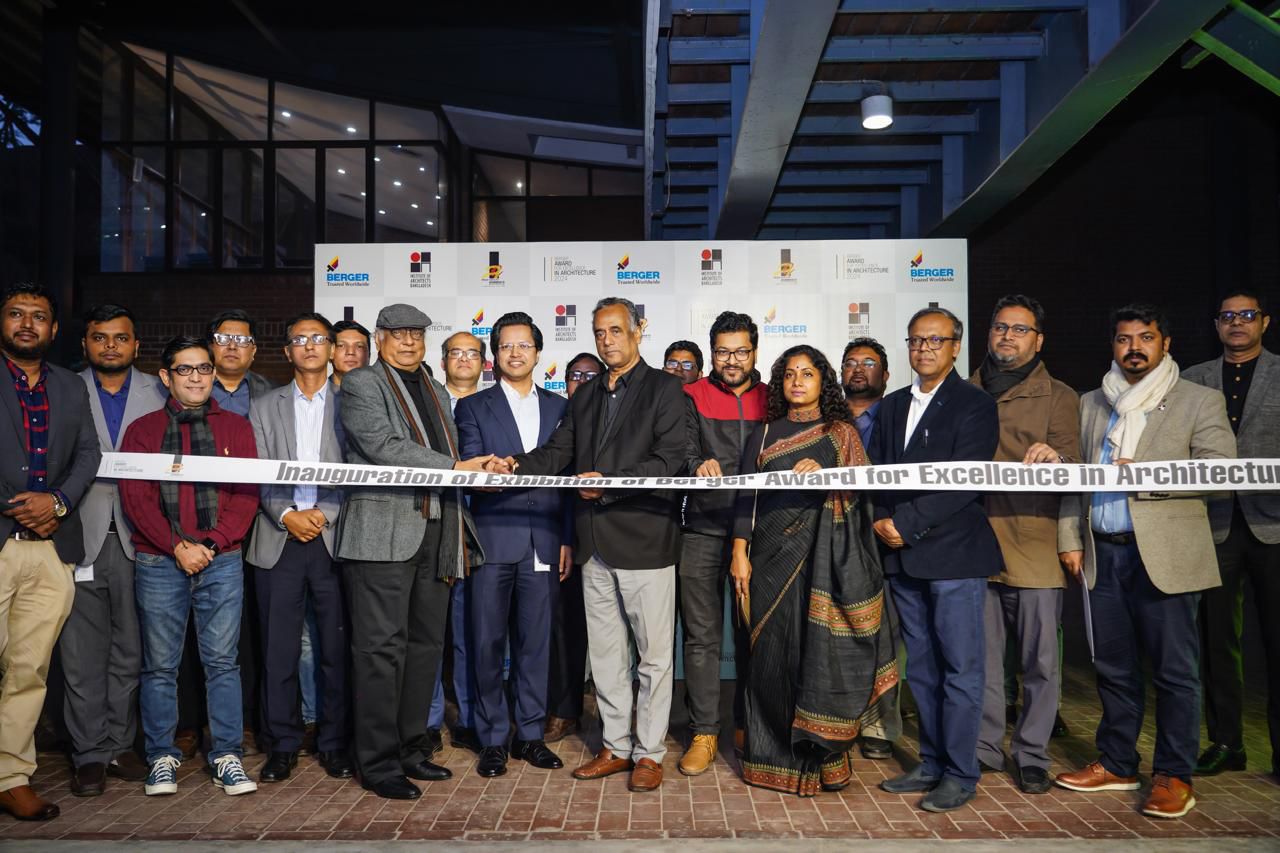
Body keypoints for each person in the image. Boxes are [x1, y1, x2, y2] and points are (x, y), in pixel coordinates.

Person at [498, 297, 686, 793]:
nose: (607, 340)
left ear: (637, 331)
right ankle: (617, 746)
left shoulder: (666, 390)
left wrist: (610, 482)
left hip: (645, 539)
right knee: (604, 656)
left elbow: (672, 461)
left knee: (653, 657)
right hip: (592, 543)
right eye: (600, 333)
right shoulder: (583, 397)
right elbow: (559, 452)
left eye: (616, 331)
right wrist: (514, 464)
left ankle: (649, 753)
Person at [1055, 303, 1235, 819]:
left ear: (1165, 344)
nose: (1134, 347)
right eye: (1123, 339)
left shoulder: (1199, 400)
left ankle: (1175, 774)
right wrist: (1070, 536)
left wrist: (1149, 473)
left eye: (1145, 338)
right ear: (1113, 346)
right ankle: (1117, 761)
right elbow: (1077, 480)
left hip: (1168, 555)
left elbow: (1221, 471)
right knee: (1112, 668)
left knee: (1176, 672)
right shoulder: (1092, 403)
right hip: (1102, 553)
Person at [335, 303, 491, 801]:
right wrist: (456, 466)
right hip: (381, 532)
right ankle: (377, 764)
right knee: (380, 650)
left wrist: (474, 468)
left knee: (425, 646)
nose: (409, 343)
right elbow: (382, 445)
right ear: (379, 338)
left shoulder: (436, 389)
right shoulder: (362, 384)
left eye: (417, 335)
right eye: (399, 334)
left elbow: (448, 458)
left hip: (436, 530)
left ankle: (409, 749)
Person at [731, 345, 896, 797]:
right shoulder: (764, 434)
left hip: (825, 564)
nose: (798, 381)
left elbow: (861, 495)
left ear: (824, 381)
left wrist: (825, 471)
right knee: (769, 658)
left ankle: (825, 758)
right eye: (789, 374)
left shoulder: (841, 434)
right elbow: (746, 499)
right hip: (768, 559)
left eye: (807, 373)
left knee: (818, 655)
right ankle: (772, 760)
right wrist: (739, 552)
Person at [870, 306, 1001, 813]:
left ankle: (960, 772)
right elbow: (876, 470)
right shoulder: (893, 404)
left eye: (935, 341)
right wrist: (883, 520)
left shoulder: (975, 404)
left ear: (955, 347)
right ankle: (929, 761)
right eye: (916, 341)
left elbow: (964, 479)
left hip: (954, 554)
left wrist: (907, 523)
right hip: (902, 560)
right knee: (921, 668)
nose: (924, 349)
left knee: (961, 669)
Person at [119, 335, 260, 798]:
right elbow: (136, 500)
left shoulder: (237, 428)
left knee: (222, 663)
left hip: (222, 561)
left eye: (204, 368)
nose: (197, 377)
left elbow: (246, 495)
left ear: (214, 373)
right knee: (160, 665)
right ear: (166, 376)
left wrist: (212, 545)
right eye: (185, 369)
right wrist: (178, 545)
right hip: (159, 561)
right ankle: (161, 756)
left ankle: (226, 756)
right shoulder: (141, 430)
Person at [969, 295, 1081, 795]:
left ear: (1038, 340)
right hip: (972, 545)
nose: (1007, 337)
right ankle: (985, 749)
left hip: (1033, 543)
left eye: (1019, 329)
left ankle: (1032, 754)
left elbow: (1076, 466)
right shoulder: (962, 390)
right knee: (983, 659)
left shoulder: (1060, 396)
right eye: (999, 327)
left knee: (1038, 661)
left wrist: (1055, 455)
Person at [0, 283, 101, 822]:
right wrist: (19, 504)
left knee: (29, 669)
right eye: (16, 314)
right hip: (3, 538)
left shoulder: (67, 385)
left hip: (49, 548)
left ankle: (11, 777)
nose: (26, 324)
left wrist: (57, 502)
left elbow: (89, 452)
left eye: (38, 317)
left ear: (54, 330)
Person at [455, 312, 569, 778]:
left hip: (544, 538)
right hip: (491, 538)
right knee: (485, 642)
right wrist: (488, 474)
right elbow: (469, 465)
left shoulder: (562, 408)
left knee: (535, 644)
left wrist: (567, 539)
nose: (516, 353)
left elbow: (564, 479)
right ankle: (493, 738)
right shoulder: (473, 407)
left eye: (524, 346)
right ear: (494, 355)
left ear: (539, 353)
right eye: (506, 346)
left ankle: (530, 734)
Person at [60, 304, 166, 797]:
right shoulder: (63, 388)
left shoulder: (159, 391)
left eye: (119, 338)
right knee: (82, 654)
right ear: (86, 344)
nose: (109, 346)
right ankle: (88, 754)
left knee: (131, 650)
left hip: (141, 536)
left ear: (135, 345)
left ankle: (121, 745)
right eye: (99, 338)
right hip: (77, 534)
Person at [247, 313, 352, 783]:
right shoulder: (263, 405)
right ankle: (282, 744)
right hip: (278, 539)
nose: (309, 346)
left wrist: (323, 515)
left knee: (336, 647)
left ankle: (333, 743)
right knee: (279, 650)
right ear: (286, 351)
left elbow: (358, 470)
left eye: (318, 338)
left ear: (331, 348)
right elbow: (258, 470)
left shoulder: (353, 403)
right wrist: (287, 514)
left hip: (334, 540)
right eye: (299, 340)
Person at [1185, 291, 1280, 779]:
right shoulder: (1191, 379)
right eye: (1227, 316)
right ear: (1216, 325)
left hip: (1274, 527)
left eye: (1246, 315)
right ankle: (1226, 743)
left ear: (1264, 321)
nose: (1237, 323)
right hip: (1215, 524)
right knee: (1218, 641)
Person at [677, 311, 766, 776]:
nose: (732, 360)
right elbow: (681, 447)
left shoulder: (774, 397)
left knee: (758, 633)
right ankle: (704, 732)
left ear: (755, 351)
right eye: (723, 351)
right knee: (701, 637)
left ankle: (750, 727)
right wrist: (697, 462)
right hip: (703, 528)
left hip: (759, 530)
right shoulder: (690, 394)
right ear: (711, 352)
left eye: (741, 351)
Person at [204, 308, 275, 757]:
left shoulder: (270, 394)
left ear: (253, 351)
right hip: (205, 526)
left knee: (255, 629)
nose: (232, 346)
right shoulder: (186, 387)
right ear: (211, 345)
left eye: (241, 340)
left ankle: (256, 721)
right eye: (222, 337)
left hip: (263, 523)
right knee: (207, 634)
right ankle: (195, 726)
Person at [426, 331, 487, 756]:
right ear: (443, 360)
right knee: (429, 633)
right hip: (430, 528)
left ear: (484, 362)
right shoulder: (426, 404)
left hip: (478, 535)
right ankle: (428, 720)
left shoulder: (492, 406)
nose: (463, 359)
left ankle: (468, 718)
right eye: (455, 353)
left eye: (472, 352)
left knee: (470, 633)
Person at [840, 336, 899, 760]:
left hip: (886, 538)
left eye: (869, 363)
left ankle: (878, 724)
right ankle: (838, 716)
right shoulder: (824, 419)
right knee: (838, 632)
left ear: (886, 374)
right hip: (835, 539)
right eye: (850, 362)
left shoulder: (898, 415)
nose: (858, 369)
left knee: (886, 634)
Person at [543, 351, 605, 744]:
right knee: (564, 626)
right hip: (562, 536)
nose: (581, 381)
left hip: (606, 534)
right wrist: (565, 537)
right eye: (574, 374)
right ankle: (565, 710)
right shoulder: (556, 415)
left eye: (590, 375)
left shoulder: (608, 417)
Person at [330, 319, 371, 387]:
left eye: (359, 346)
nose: (350, 352)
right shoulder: (313, 394)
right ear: (330, 352)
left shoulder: (384, 394)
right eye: (341, 345)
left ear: (369, 355)